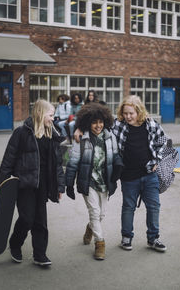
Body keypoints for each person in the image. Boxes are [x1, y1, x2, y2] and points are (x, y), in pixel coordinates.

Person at [0, 99, 65, 266]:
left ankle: (40, 254)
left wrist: (60, 186)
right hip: (24, 184)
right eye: (51, 115)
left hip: (43, 185)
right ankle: (15, 244)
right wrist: (4, 183)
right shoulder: (22, 133)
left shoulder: (52, 136)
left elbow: (57, 165)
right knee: (27, 218)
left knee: (40, 220)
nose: (53, 119)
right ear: (40, 114)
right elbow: (9, 157)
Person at [65, 103, 123, 260]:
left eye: (100, 122)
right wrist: (69, 183)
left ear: (105, 121)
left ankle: (90, 228)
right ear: (87, 123)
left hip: (104, 182)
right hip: (88, 181)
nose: (98, 125)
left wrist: (118, 166)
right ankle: (100, 244)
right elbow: (73, 161)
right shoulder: (81, 139)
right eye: (94, 122)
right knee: (95, 212)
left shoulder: (110, 137)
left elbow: (115, 155)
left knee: (101, 214)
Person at [112, 95, 168, 252]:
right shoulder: (118, 125)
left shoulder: (150, 125)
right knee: (128, 207)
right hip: (128, 176)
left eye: (131, 113)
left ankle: (153, 238)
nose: (128, 116)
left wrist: (156, 160)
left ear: (139, 111)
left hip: (149, 174)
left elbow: (163, 141)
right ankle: (126, 238)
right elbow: (100, 127)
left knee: (154, 206)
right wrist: (80, 127)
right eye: (125, 113)